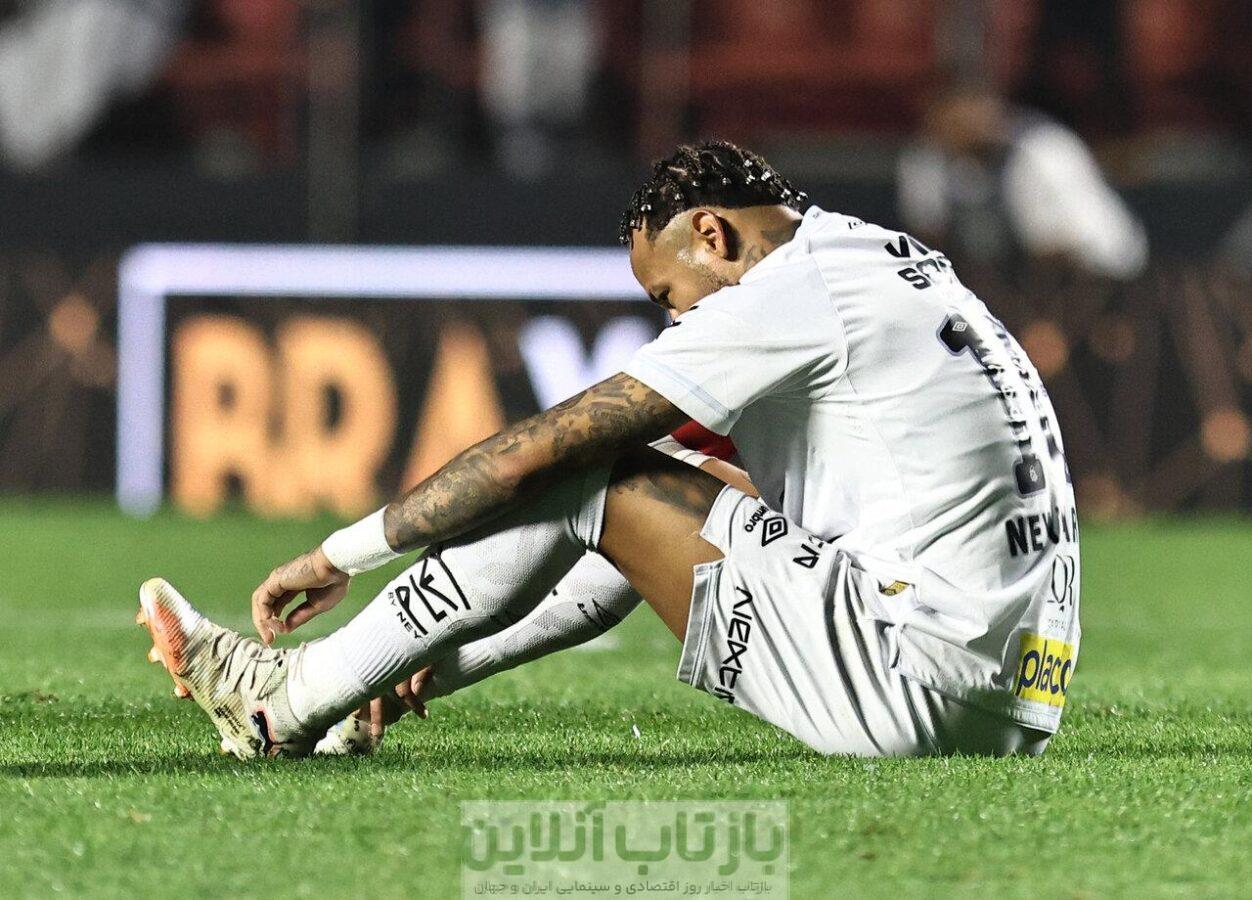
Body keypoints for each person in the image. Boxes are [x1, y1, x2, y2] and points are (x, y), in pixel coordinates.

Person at [137, 141, 1080, 759]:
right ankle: (352, 690)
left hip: (917, 680)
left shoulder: (786, 294)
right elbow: (656, 522)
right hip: (1015, 701)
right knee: (666, 487)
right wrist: (414, 651)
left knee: (593, 465)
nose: (675, 324)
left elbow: (529, 461)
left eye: (670, 298)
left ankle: (284, 702)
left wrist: (340, 553)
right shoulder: (882, 261)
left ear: (711, 234)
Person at [898, 80, 1147, 280]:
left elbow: (1058, 248)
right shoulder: (930, 160)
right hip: (1008, 287)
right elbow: (925, 239)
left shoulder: (1041, 150)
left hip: (1100, 277)